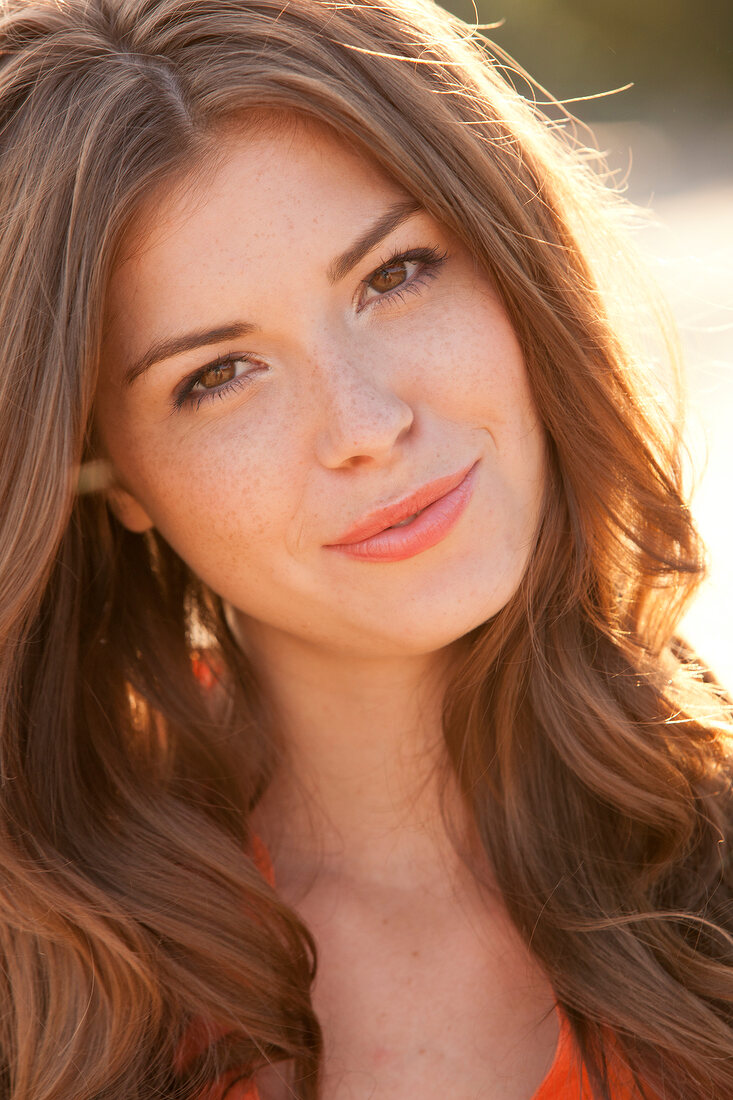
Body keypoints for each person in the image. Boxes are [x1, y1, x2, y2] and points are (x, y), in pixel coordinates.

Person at [1, 0, 731, 1097]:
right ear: (108, 471)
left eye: (394, 275)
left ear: (512, 265)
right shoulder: (44, 966)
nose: (365, 425)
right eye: (217, 375)